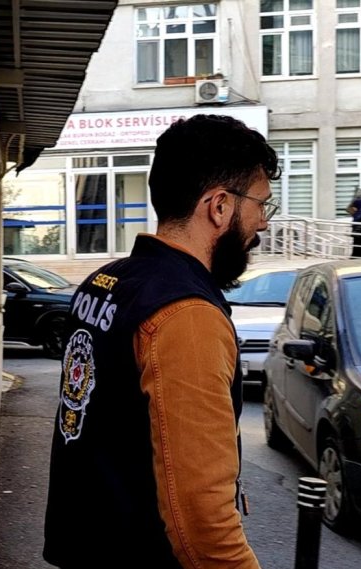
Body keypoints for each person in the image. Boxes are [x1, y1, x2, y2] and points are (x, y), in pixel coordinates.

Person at [43, 114, 278, 568]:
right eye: (261, 204)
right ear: (220, 206)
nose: (263, 224)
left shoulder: (104, 282)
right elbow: (203, 522)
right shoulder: (186, 316)